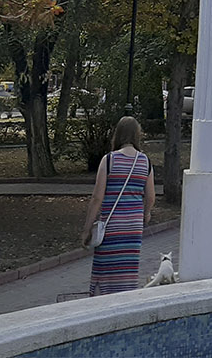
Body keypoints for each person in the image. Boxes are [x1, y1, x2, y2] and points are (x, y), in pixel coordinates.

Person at [80, 116, 154, 295]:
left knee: (105, 268)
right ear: (137, 135)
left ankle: (102, 300)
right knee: (127, 270)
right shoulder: (145, 161)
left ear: (118, 134)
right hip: (133, 226)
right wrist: (146, 213)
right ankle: (125, 300)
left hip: (112, 225)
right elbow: (151, 196)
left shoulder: (109, 160)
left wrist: (86, 229)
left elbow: (97, 198)